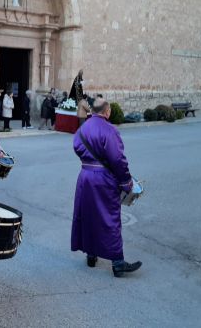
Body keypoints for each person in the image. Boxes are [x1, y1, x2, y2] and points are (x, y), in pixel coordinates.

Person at [71, 98, 142, 278]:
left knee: (89, 215)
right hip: (103, 179)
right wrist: (127, 182)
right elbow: (118, 160)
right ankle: (118, 262)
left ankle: (91, 255)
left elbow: (76, 147)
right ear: (107, 111)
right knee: (109, 218)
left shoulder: (81, 129)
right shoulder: (110, 130)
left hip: (85, 176)